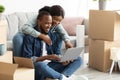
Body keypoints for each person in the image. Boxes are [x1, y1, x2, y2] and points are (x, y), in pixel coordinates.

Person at [22, 11, 83, 80]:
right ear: (39, 21)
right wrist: (47, 57)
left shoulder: (53, 35)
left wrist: (62, 60)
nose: (49, 26)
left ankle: (60, 76)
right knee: (40, 65)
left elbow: (56, 53)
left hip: (52, 66)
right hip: (39, 69)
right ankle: (61, 77)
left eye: (50, 23)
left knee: (78, 59)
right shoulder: (29, 37)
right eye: (46, 23)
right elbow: (27, 60)